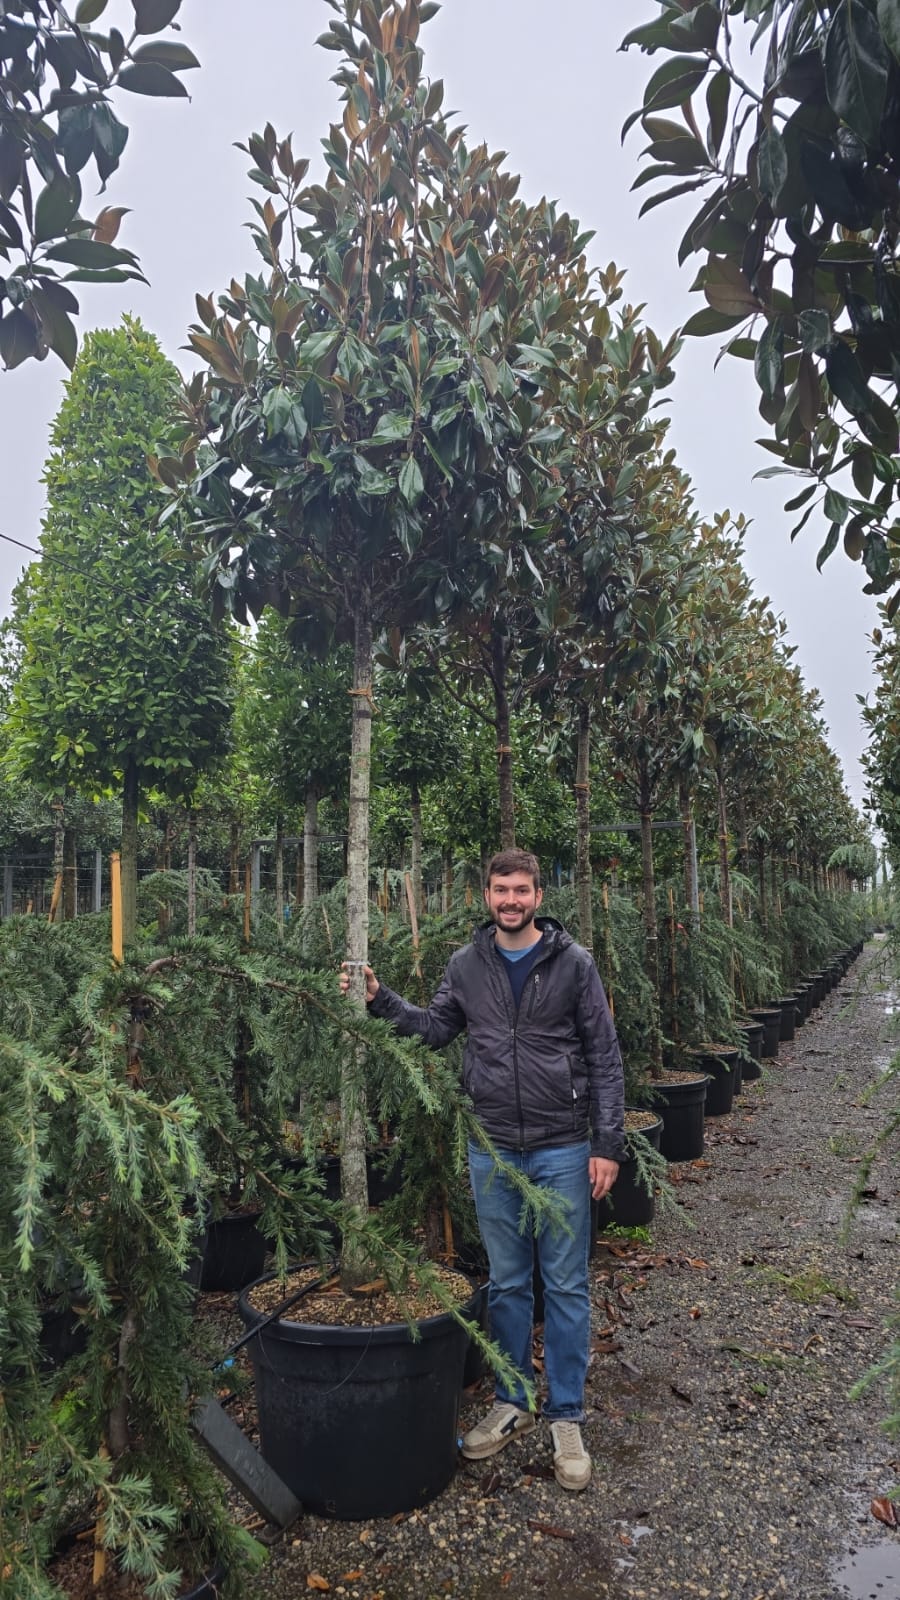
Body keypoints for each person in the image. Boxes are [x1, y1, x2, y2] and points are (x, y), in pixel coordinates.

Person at [339, 847, 625, 1492]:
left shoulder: (575, 965)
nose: (511, 900)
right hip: (492, 1149)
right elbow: (435, 1029)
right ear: (486, 895)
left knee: (568, 1283)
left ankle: (567, 1415)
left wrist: (606, 1143)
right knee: (507, 1282)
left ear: (539, 897)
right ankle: (512, 1401)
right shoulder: (466, 965)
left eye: (522, 890)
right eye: (501, 890)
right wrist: (381, 999)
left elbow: (605, 1057)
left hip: (561, 1147)